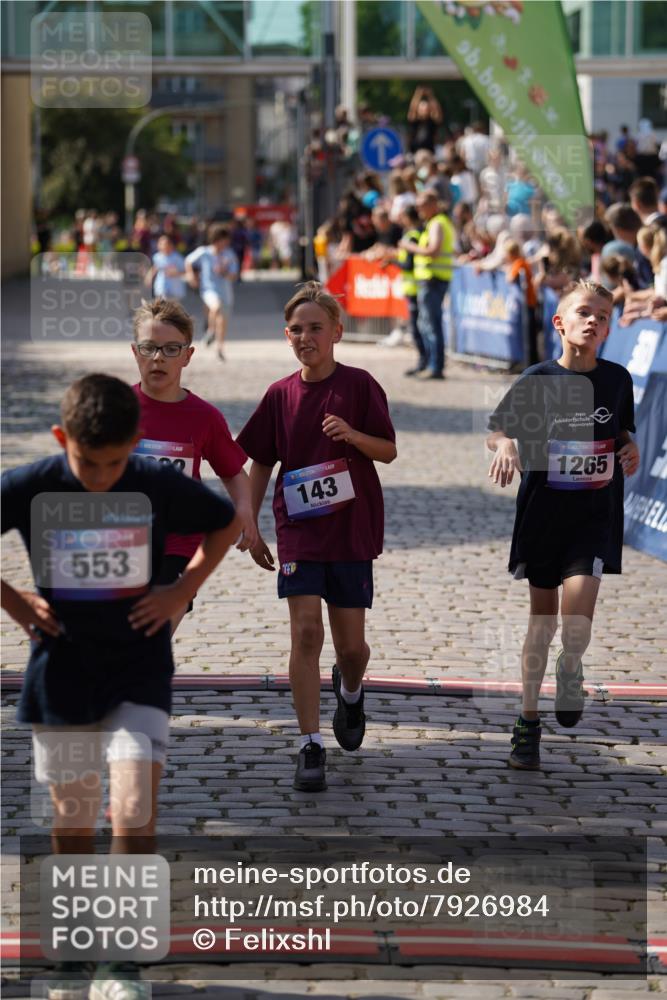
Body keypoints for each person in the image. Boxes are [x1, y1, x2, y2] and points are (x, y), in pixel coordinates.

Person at [1, 374, 240, 1000]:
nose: (103, 476)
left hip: (139, 666)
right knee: (72, 818)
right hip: (63, 670)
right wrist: (16, 603)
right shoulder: (32, 484)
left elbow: (225, 522)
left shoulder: (154, 481)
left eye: (115, 463)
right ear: (62, 439)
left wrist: (182, 590)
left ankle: (120, 963)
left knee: (134, 810)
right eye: (89, 463)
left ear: (134, 444)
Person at [236, 282, 397, 792]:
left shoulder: (360, 385)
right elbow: (260, 461)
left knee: (352, 649)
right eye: (296, 329)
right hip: (299, 530)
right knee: (306, 633)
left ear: (337, 333)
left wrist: (353, 435)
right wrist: (250, 521)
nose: (305, 337)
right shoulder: (279, 394)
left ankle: (350, 690)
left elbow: (388, 450)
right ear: (286, 336)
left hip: (350, 531)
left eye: (315, 328)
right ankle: (310, 744)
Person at [486, 280, 639, 770]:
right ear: (560, 322)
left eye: (602, 316)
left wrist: (629, 448)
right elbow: (498, 429)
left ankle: (570, 665)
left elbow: (622, 431)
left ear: (608, 330)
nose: (593, 321)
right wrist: (506, 446)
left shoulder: (616, 379)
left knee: (576, 620)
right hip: (543, 513)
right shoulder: (537, 378)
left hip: (593, 515)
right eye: (584, 312)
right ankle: (527, 720)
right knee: (542, 620)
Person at [131, 296, 257, 632]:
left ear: (187, 355)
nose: (158, 357)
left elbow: (233, 472)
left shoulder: (204, 417)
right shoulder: (117, 410)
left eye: (171, 349)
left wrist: (245, 510)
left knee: (154, 632)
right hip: (122, 542)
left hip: (179, 543)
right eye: (149, 348)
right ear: (135, 352)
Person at [398, 190, 456, 380]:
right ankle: (431, 364)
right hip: (431, 279)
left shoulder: (437, 223)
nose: (418, 209)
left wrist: (409, 247)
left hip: (433, 279)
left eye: (421, 205)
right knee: (427, 324)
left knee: (431, 325)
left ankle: (435, 366)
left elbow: (434, 250)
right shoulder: (436, 223)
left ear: (433, 204)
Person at [185, 223, 238, 361]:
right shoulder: (204, 252)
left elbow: (234, 275)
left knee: (222, 321)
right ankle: (210, 330)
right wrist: (191, 275)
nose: (225, 243)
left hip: (225, 292)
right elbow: (188, 261)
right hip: (209, 289)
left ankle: (220, 348)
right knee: (216, 306)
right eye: (223, 239)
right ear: (216, 239)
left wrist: (224, 272)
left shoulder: (229, 254)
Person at [504, 239, 538, 367]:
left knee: (529, 337)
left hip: (528, 304)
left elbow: (510, 278)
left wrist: (507, 270)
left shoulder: (519, 263)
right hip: (527, 304)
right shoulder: (521, 262)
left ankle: (530, 364)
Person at [144, 234, 186, 301]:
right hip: (161, 287)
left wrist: (176, 272)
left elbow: (184, 271)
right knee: (162, 303)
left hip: (175, 289)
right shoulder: (157, 256)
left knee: (172, 305)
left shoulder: (177, 258)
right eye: (160, 244)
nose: (163, 246)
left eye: (165, 244)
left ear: (171, 245)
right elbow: (155, 267)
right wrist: (149, 277)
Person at [407, 85, 443, 154]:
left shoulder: (432, 121)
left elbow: (437, 111)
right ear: (418, 110)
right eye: (422, 109)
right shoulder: (415, 121)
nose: (424, 110)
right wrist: (417, 94)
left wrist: (430, 96)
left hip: (429, 152)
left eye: (426, 108)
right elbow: (412, 108)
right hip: (415, 152)